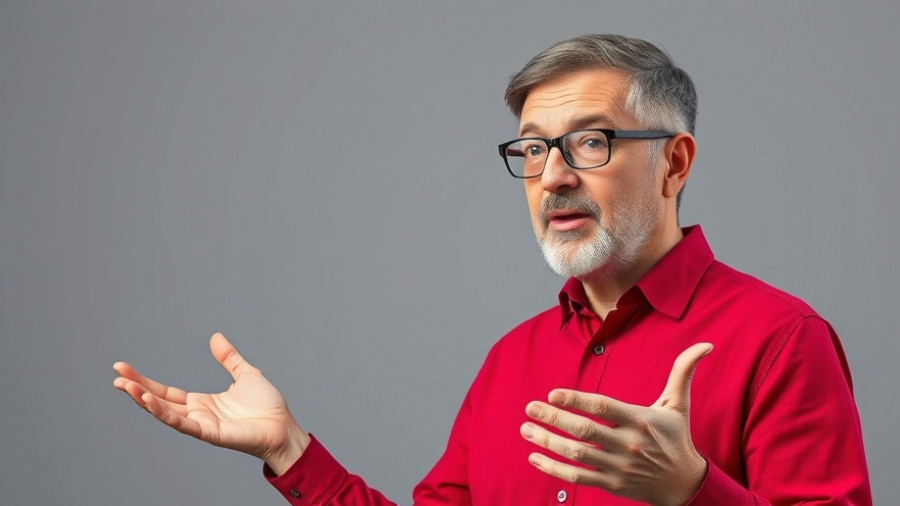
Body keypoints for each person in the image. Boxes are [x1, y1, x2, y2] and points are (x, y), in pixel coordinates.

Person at [113, 34, 871, 505]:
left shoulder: (780, 337)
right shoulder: (513, 360)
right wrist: (291, 452)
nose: (553, 177)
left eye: (590, 142)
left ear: (674, 163)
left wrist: (694, 494)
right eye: (534, 149)